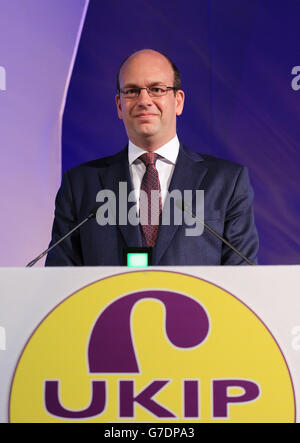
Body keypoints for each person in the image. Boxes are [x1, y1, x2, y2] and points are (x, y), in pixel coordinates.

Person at [45, 49, 258, 266]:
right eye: (132, 91)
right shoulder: (80, 185)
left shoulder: (227, 182)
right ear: (119, 105)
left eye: (156, 89)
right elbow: (60, 280)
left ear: (178, 101)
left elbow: (242, 278)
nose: (144, 100)